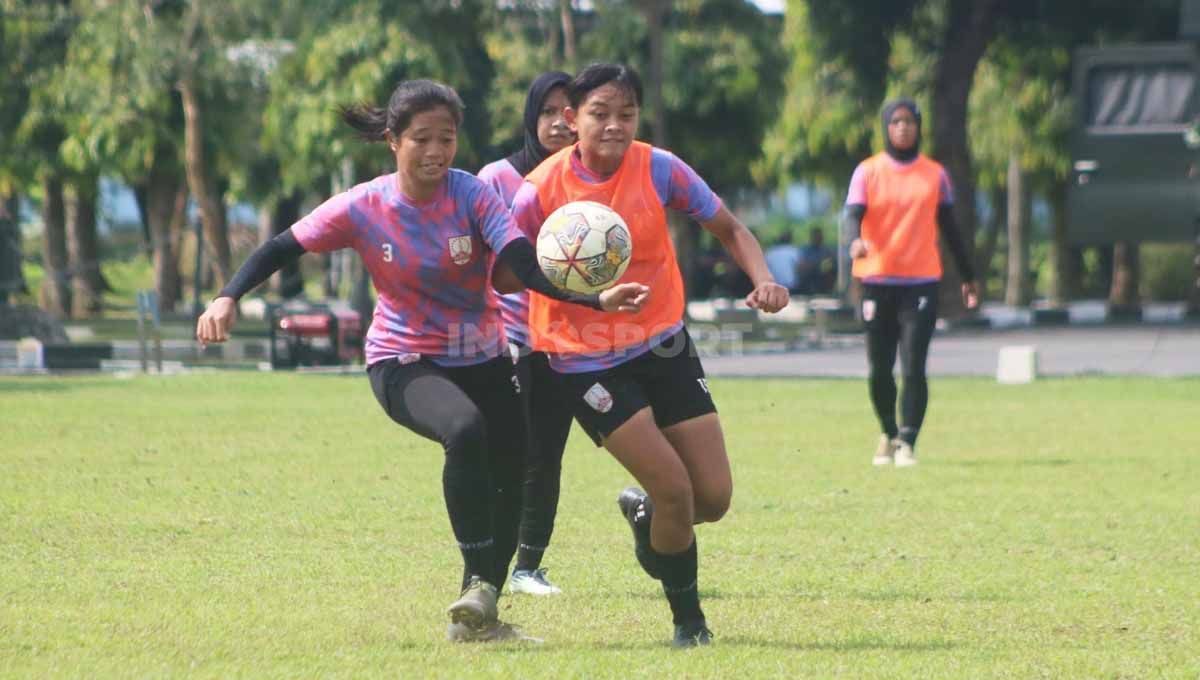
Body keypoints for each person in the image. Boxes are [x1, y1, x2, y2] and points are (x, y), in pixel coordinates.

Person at [194, 79, 648, 643]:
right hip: (401, 360)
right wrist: (227, 296)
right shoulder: (365, 205)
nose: (436, 152)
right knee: (464, 430)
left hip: (481, 357)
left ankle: (480, 605)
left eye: (447, 139)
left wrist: (591, 297)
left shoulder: (473, 195)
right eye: (421, 139)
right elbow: (280, 247)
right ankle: (480, 584)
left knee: (514, 473)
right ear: (393, 141)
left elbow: (522, 265)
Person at [509, 63, 789, 648]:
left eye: (626, 114)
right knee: (675, 491)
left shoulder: (659, 167)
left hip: (663, 344)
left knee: (711, 499)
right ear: (570, 118)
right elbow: (505, 273)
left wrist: (763, 278)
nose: (614, 126)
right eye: (599, 114)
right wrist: (571, 282)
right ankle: (690, 624)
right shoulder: (539, 188)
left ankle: (646, 520)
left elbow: (730, 228)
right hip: (583, 360)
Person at [477, 71, 576, 596]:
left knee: (548, 453)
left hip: (569, 338)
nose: (560, 123)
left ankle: (528, 566)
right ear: (531, 118)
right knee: (513, 451)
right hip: (510, 337)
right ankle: (493, 559)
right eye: (548, 111)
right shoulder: (496, 177)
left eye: (569, 112)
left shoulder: (587, 180)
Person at [842, 97, 980, 468]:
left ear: (918, 127)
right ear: (887, 126)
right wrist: (854, 241)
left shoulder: (935, 174)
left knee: (914, 364)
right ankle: (888, 430)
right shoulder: (867, 171)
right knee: (879, 367)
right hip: (876, 279)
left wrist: (968, 276)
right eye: (896, 121)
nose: (903, 127)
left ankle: (908, 441)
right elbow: (852, 215)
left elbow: (951, 229)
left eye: (909, 121)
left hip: (920, 282)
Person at [795, 227, 834, 295]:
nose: (817, 238)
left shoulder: (826, 250)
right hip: (809, 274)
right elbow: (802, 264)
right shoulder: (806, 249)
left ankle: (825, 291)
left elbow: (830, 263)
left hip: (822, 274)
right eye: (815, 236)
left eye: (819, 236)